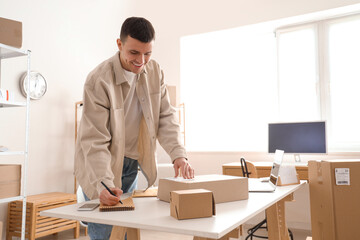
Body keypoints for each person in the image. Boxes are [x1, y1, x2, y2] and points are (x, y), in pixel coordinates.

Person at [74, 16, 194, 240]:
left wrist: (179, 155)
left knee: (125, 228)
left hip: (130, 162)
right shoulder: (98, 80)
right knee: (106, 231)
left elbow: (166, 116)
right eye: (134, 53)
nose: (141, 61)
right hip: (103, 163)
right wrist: (103, 182)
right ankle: (90, 198)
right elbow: (94, 140)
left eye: (147, 53)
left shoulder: (155, 71)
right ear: (119, 44)